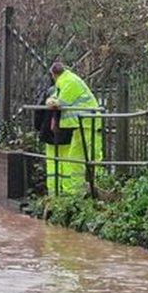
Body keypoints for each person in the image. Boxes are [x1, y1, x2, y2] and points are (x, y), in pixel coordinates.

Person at [46, 62, 102, 194]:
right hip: (80, 125)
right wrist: (52, 99)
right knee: (75, 157)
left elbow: (59, 102)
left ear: (53, 75)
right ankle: (77, 191)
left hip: (89, 123)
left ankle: (97, 186)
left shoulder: (69, 81)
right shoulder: (65, 81)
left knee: (92, 156)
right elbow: (56, 97)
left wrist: (51, 101)